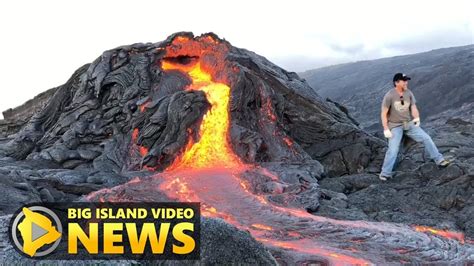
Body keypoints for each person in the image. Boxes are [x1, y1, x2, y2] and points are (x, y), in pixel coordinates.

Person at [379, 73, 450, 181]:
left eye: (406, 80)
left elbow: (413, 107)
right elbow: (384, 113)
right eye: (404, 81)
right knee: (393, 149)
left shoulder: (409, 93)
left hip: (409, 124)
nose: (406, 83)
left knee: (426, 138)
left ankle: (439, 160)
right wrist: (386, 129)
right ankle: (385, 173)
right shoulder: (389, 95)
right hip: (395, 126)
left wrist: (416, 118)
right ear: (396, 82)